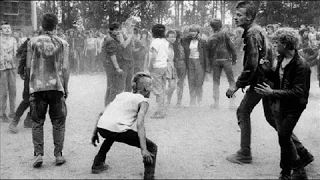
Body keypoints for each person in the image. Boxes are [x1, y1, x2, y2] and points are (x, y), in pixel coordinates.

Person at [225, 1, 314, 167]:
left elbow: (252, 64)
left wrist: (236, 85)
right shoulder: (257, 30)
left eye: (239, 15)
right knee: (273, 118)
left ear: (249, 17)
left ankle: (245, 153)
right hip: (267, 80)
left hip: (261, 81)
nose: (235, 17)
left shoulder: (252, 33)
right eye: (235, 14)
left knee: (243, 112)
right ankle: (303, 152)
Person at [255, 27, 311, 180]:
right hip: (281, 103)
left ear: (285, 45)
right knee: (283, 136)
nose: (274, 45)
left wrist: (272, 93)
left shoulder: (301, 65)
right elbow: (277, 78)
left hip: (294, 105)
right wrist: (265, 69)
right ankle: (286, 172)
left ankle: (299, 170)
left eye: (277, 42)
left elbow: (298, 92)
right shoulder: (281, 59)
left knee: (284, 135)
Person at [91, 72, 158, 180]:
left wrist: (95, 133)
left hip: (102, 128)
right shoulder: (143, 101)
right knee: (152, 147)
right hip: (116, 130)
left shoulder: (122, 95)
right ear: (145, 88)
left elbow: (101, 113)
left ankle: (97, 164)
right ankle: (149, 177)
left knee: (111, 135)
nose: (152, 89)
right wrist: (144, 149)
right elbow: (140, 124)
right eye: (150, 86)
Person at [26, 13, 69, 168]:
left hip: (37, 87)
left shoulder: (32, 42)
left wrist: (29, 86)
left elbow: (29, 66)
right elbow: (65, 68)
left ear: (42, 26)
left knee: (37, 121)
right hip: (56, 87)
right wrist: (66, 87)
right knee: (58, 121)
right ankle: (58, 155)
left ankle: (38, 154)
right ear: (56, 25)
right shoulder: (62, 43)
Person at [9, 31, 38, 133]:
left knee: (37, 99)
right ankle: (14, 122)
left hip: (40, 76)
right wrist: (21, 71)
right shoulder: (29, 43)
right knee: (27, 99)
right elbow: (22, 56)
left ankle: (28, 119)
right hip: (30, 75)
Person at [207, 18, 237, 110]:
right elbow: (232, 47)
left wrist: (210, 64)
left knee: (216, 82)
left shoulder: (211, 37)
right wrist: (234, 59)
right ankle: (232, 103)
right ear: (220, 25)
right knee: (231, 81)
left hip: (216, 61)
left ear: (212, 26)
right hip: (226, 59)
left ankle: (216, 103)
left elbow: (209, 52)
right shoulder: (225, 33)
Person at [182, 24, 207, 106]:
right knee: (191, 81)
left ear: (198, 32)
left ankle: (199, 100)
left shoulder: (202, 41)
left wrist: (207, 67)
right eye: (191, 31)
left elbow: (206, 55)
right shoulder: (186, 40)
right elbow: (181, 39)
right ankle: (192, 101)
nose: (193, 33)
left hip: (199, 62)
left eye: (195, 31)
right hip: (190, 62)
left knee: (199, 82)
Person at [149, 24, 168, 119]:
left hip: (157, 66)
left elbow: (153, 56)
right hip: (164, 66)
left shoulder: (155, 42)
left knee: (157, 89)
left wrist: (150, 66)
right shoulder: (165, 41)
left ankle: (160, 111)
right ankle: (162, 109)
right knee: (162, 87)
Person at [103, 22, 125, 107]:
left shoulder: (111, 38)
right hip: (111, 66)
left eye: (118, 29)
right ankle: (110, 107)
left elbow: (122, 45)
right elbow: (112, 55)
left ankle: (108, 106)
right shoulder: (111, 40)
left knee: (110, 86)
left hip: (109, 66)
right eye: (115, 30)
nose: (117, 31)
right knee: (114, 87)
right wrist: (117, 68)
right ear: (111, 30)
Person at [0, 21, 17, 122]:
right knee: (3, 91)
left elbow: (16, 54)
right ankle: (2, 113)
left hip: (11, 67)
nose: (7, 29)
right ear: (1, 30)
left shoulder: (14, 40)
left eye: (8, 28)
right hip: (1, 68)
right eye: (5, 28)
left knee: (13, 90)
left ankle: (12, 111)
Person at [173, 30, 187, 106]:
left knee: (180, 82)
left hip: (182, 63)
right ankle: (173, 100)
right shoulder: (172, 43)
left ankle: (179, 101)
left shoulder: (183, 42)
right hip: (175, 63)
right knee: (173, 82)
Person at [165, 30, 177, 105]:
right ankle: (162, 99)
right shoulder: (165, 45)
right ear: (167, 37)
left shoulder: (172, 45)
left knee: (173, 86)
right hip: (165, 66)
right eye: (171, 37)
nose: (173, 38)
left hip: (171, 66)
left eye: (174, 37)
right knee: (166, 84)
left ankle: (168, 99)